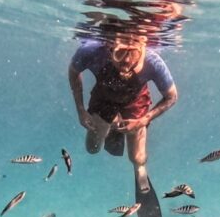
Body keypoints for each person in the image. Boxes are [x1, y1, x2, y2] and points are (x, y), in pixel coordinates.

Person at [68, 35, 178, 198]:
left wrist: (143, 120)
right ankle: (114, 124)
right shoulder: (91, 51)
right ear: (109, 48)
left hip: (136, 99)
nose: (126, 61)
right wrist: (80, 110)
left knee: (137, 157)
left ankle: (139, 168)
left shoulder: (153, 62)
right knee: (93, 148)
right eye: (119, 54)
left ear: (141, 48)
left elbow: (172, 97)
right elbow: (73, 72)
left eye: (133, 53)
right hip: (103, 97)